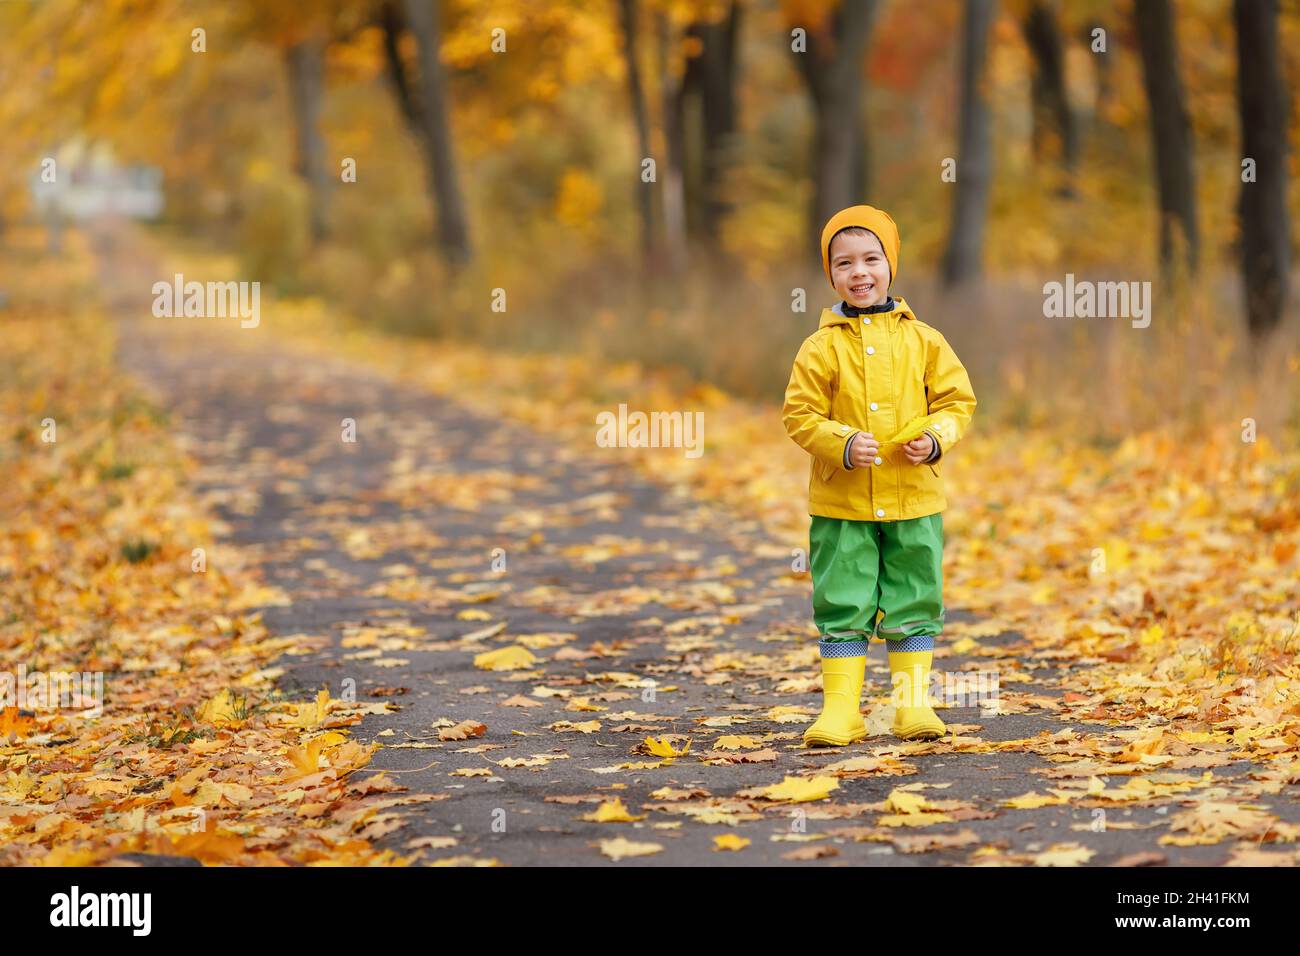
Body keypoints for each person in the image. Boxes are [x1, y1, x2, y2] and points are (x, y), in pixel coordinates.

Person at [782, 204, 977, 746]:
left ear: (892, 265)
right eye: (844, 264)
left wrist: (935, 438)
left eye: (872, 259)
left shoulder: (925, 340)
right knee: (844, 600)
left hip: (914, 497)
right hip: (842, 504)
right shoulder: (819, 347)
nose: (860, 272)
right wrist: (841, 443)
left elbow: (957, 401)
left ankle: (911, 706)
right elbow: (799, 415)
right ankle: (841, 709)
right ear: (831, 275)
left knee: (915, 595)